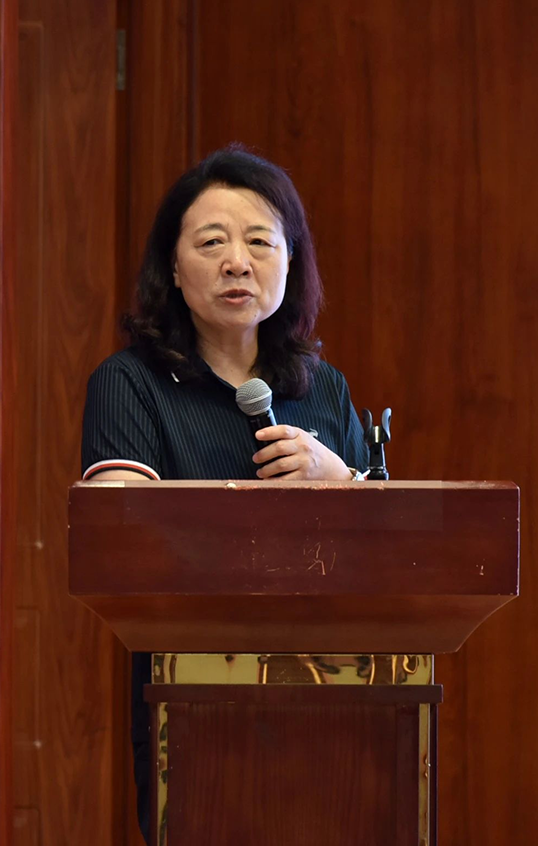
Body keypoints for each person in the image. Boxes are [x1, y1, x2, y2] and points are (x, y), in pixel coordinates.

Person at [80, 145, 368, 842]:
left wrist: (340, 482)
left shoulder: (323, 386)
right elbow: (120, 538)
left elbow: (389, 550)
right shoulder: (130, 382)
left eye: (260, 242)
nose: (237, 262)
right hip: (195, 689)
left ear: (290, 262)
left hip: (339, 690)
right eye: (211, 243)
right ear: (174, 269)